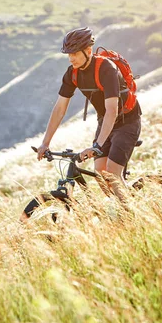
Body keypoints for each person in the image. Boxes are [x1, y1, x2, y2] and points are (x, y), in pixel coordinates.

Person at [20, 27, 142, 222]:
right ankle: (123, 207)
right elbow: (60, 108)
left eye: (75, 53)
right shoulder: (73, 74)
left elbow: (112, 110)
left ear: (88, 51)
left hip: (127, 121)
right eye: (69, 54)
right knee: (101, 176)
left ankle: (135, 219)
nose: (71, 58)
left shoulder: (106, 69)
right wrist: (45, 143)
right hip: (105, 121)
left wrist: (96, 146)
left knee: (111, 173)